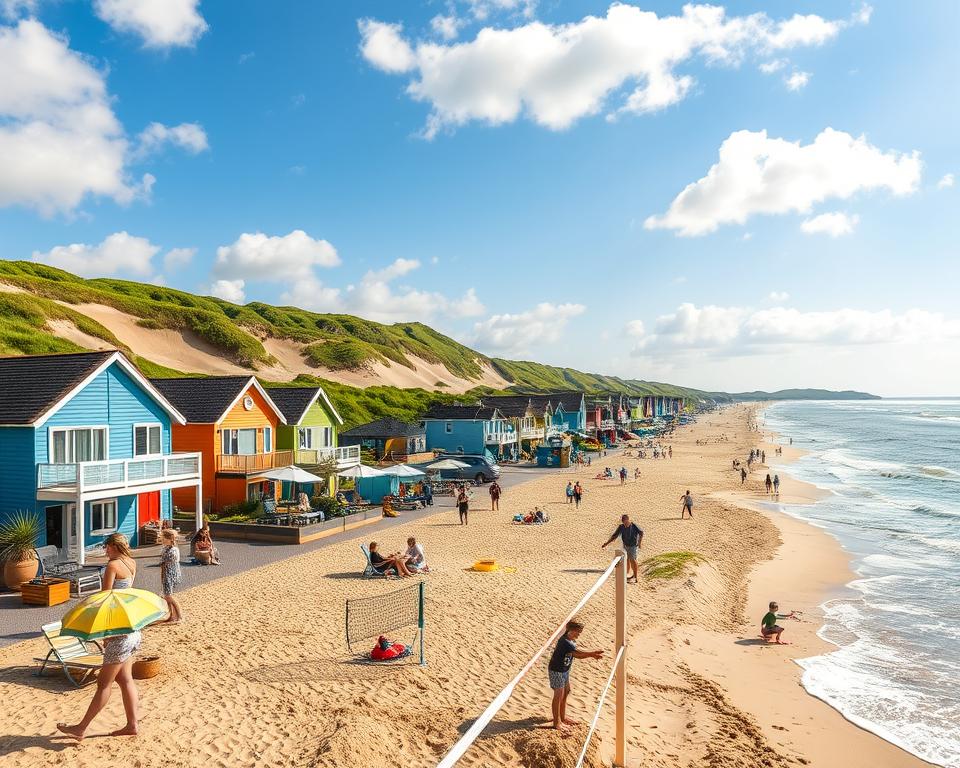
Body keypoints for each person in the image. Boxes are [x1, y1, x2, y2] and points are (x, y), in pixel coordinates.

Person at [57, 533, 144, 740]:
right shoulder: (131, 563)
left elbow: (106, 599)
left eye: (107, 547)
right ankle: (132, 725)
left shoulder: (112, 566)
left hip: (118, 632)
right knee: (125, 680)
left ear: (115, 546)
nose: (105, 551)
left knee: (103, 684)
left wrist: (104, 633)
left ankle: (81, 728)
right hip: (131, 628)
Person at [548, 620, 604, 731]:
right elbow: (578, 651)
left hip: (565, 670)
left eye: (580, 632)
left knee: (566, 692)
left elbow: (577, 655)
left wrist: (591, 656)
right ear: (570, 630)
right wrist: (592, 653)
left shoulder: (571, 641)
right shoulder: (564, 642)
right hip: (557, 670)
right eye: (578, 632)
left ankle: (562, 718)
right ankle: (556, 722)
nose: (579, 634)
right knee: (558, 695)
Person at [602, 514, 643, 583]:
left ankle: (635, 577)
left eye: (626, 522)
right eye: (623, 522)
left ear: (628, 520)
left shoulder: (634, 525)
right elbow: (614, 536)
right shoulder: (621, 527)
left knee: (633, 559)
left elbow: (641, 532)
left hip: (633, 546)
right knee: (627, 559)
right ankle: (627, 573)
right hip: (626, 545)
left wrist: (639, 542)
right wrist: (606, 543)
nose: (625, 524)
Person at [159, 529, 183, 624]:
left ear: (169, 539)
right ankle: (172, 616)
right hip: (167, 573)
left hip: (170, 574)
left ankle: (179, 616)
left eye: (164, 538)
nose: (162, 540)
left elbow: (165, 562)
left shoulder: (172, 550)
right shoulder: (166, 548)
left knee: (168, 596)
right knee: (167, 596)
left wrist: (164, 574)